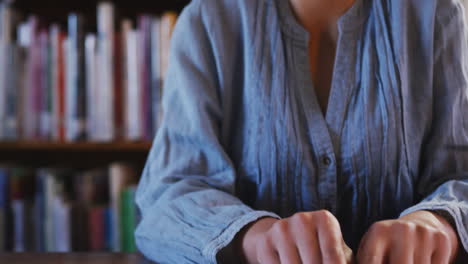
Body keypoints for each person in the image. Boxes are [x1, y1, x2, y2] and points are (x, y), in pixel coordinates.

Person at [135, 0, 468, 262]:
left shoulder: (438, 15)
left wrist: (439, 224)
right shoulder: (208, 21)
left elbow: (460, 174)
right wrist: (255, 238)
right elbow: (167, 198)